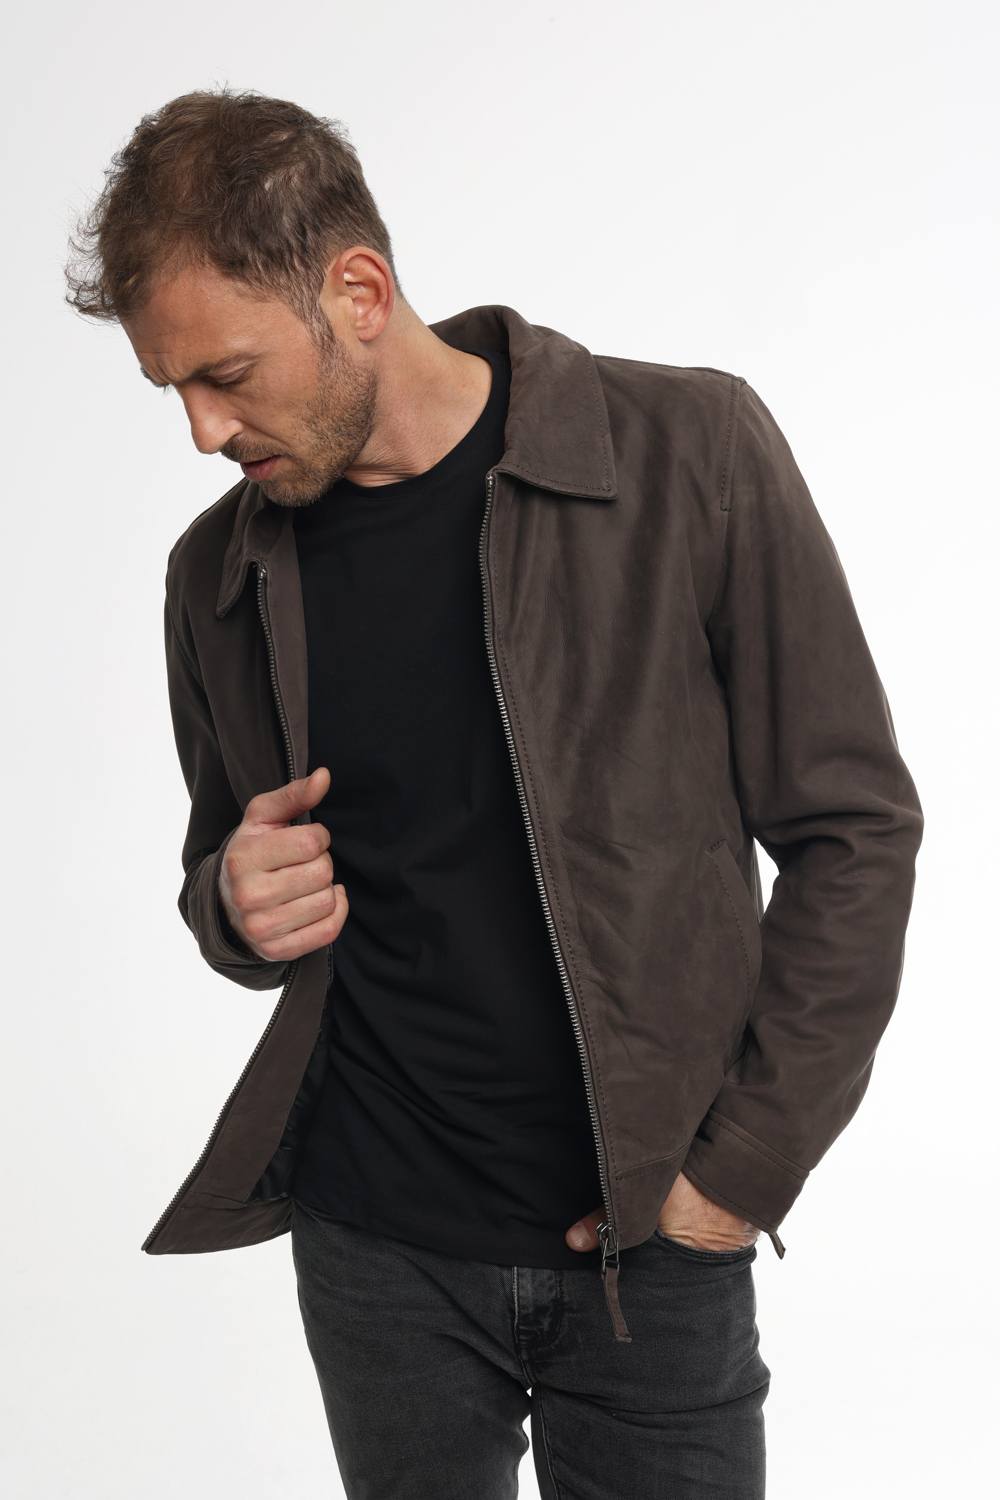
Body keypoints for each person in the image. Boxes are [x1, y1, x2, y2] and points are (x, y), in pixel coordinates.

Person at [67, 88, 922, 1500]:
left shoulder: (687, 451)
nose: (204, 432)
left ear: (358, 292)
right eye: (175, 391)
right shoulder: (215, 575)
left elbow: (855, 831)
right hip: (376, 1250)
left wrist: (743, 1173)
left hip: (654, 1244)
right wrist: (232, 902)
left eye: (226, 374)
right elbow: (226, 869)